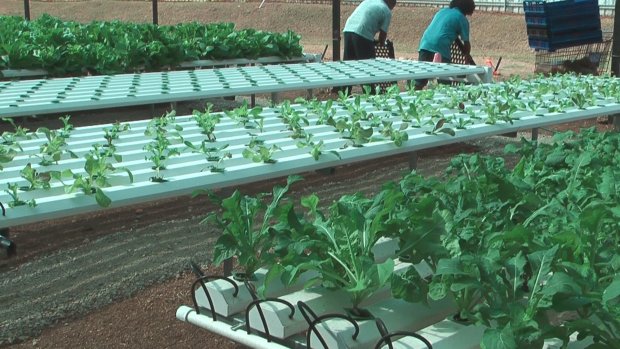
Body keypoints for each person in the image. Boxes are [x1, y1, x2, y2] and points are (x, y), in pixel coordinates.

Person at [414, 0, 475, 90]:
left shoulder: (441, 12)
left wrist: (464, 51)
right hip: (441, 48)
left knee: (420, 80)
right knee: (445, 83)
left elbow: (455, 38)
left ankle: (412, 99)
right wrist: (467, 55)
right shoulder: (462, 18)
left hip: (425, 45)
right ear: (468, 8)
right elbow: (466, 43)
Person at [342, 0, 397, 94]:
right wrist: (381, 44)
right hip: (362, 32)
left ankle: (344, 94)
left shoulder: (369, 1)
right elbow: (382, 35)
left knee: (348, 65)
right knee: (367, 68)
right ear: (391, 3)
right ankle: (370, 96)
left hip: (348, 29)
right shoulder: (386, 11)